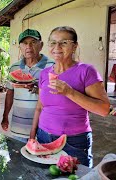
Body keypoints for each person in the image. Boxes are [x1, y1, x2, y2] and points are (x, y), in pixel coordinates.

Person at [29, 26, 110, 167]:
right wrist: (32, 133)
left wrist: (70, 92)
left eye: (64, 42)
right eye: (53, 43)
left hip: (74, 141)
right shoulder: (44, 73)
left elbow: (104, 109)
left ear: (74, 46)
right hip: (43, 136)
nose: (57, 47)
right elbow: (39, 107)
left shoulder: (86, 71)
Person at [1, 29, 55, 142]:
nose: (28, 46)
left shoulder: (52, 66)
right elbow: (10, 93)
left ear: (41, 45)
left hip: (44, 129)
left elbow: (56, 95)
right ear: (20, 47)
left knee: (42, 158)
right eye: (24, 43)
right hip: (19, 127)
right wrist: (5, 116)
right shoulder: (14, 68)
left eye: (33, 42)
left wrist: (34, 88)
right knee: (16, 158)